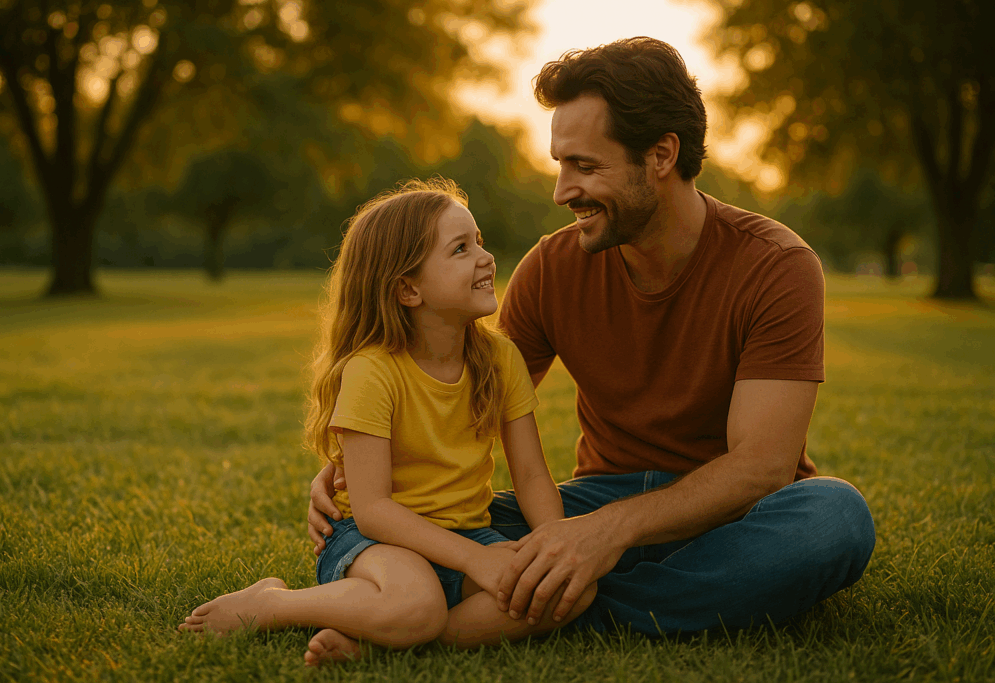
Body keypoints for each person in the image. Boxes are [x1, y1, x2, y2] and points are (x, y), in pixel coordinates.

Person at [307, 37, 876, 639]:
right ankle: (537, 600)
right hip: (592, 501)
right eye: (560, 164)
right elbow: (461, 393)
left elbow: (760, 468)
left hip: (729, 518)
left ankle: (543, 608)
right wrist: (354, 472)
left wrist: (609, 534)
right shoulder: (554, 266)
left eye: (584, 166)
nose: (561, 191)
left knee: (834, 518)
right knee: (454, 521)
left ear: (660, 155)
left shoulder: (776, 265)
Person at [178, 178, 596, 666]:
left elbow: (530, 476)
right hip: (373, 540)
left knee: (572, 592)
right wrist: (476, 561)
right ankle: (275, 603)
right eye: (461, 249)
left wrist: (553, 551)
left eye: (479, 241)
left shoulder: (501, 359)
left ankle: (387, 639)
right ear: (408, 289)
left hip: (467, 533)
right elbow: (374, 508)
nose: (485, 257)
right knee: (415, 603)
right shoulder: (372, 371)